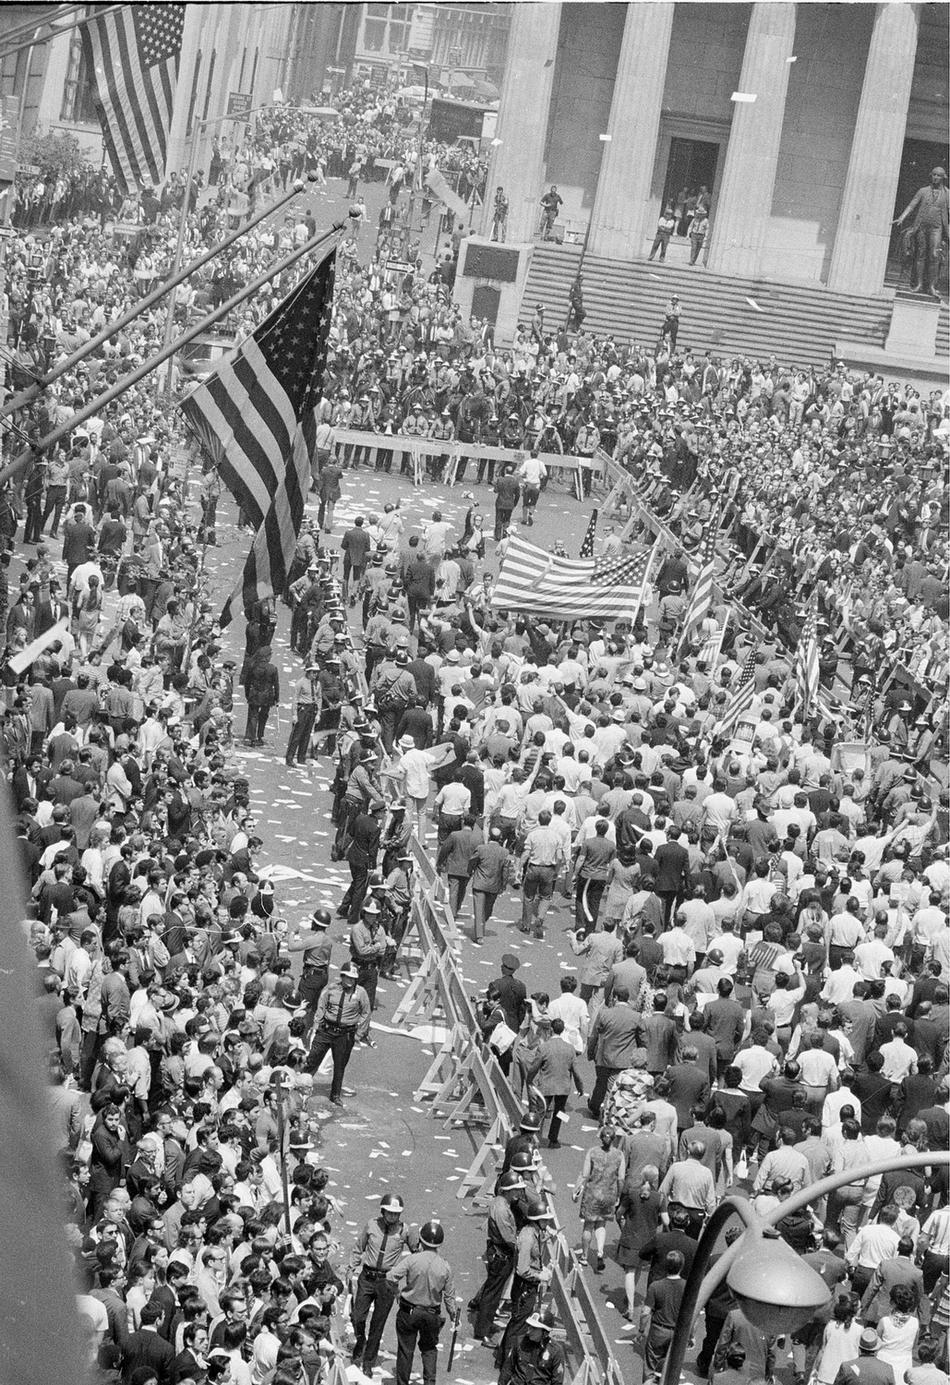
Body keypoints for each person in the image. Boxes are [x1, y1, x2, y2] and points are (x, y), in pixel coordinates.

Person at [350, 1193, 417, 1376]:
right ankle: (359, 1340)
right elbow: (359, 1247)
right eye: (390, 1213)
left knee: (378, 1324)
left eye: (396, 1214)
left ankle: (368, 1361)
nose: (393, 1217)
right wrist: (352, 1267)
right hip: (367, 1277)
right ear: (383, 1211)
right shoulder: (371, 1225)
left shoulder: (405, 1231)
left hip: (387, 1282)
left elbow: (416, 1254)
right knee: (358, 1316)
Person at [387, 1218, 458, 1385]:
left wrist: (397, 1293)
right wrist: (454, 1316)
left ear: (421, 1240)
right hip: (431, 1314)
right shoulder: (445, 1266)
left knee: (406, 1351)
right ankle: (429, 1382)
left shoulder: (412, 1260)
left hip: (408, 1311)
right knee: (429, 1350)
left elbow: (390, 1277)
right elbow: (449, 1296)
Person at [305, 962, 371, 1106]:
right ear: (342, 976)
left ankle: (335, 1094)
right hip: (326, 1030)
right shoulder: (331, 988)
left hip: (345, 1033)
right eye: (348, 977)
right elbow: (321, 1005)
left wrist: (359, 1034)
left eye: (353, 978)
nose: (351, 981)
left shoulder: (360, 993)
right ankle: (303, 1086)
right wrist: (316, 1025)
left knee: (340, 1065)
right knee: (312, 1059)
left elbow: (366, 1012)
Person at [573, 1125, 625, 1271]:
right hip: (609, 1194)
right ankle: (600, 1250)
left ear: (601, 1138)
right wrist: (618, 1195)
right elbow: (621, 1179)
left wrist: (577, 1190)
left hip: (592, 1194)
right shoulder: (620, 1155)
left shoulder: (592, 1152)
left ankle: (584, 1256)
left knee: (588, 1225)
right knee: (601, 1225)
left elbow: (584, 1175)